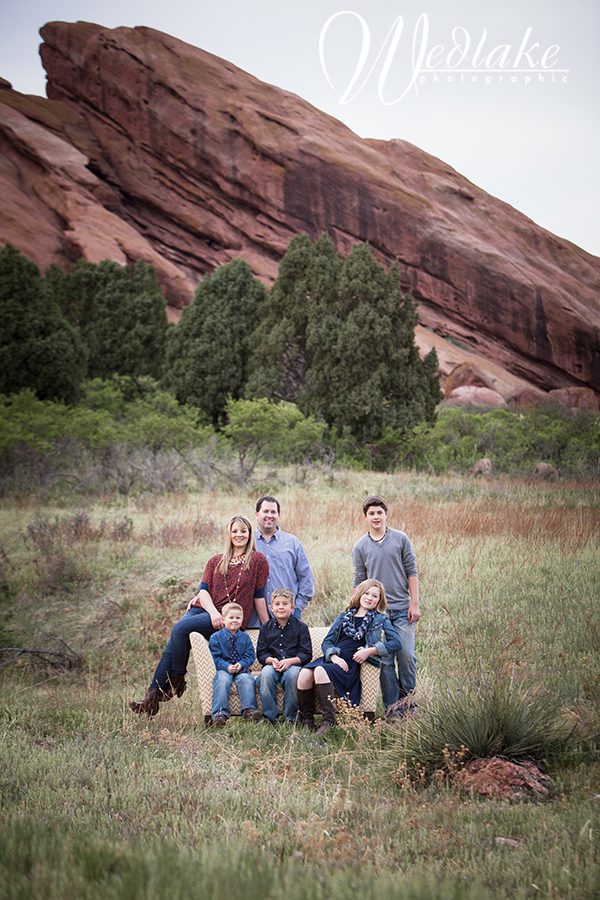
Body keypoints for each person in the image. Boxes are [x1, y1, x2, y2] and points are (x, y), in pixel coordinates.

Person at [129, 514, 269, 718]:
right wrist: (213, 613)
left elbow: (259, 596)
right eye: (235, 531)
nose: (239, 535)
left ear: (250, 534)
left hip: (230, 616)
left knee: (179, 629)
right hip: (207, 610)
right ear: (229, 534)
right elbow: (203, 591)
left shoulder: (257, 560)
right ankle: (152, 698)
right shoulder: (215, 561)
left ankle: (175, 680)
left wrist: (268, 626)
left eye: (244, 531)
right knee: (175, 639)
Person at [296, 579, 400, 735]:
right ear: (359, 594)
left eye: (375, 596)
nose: (370, 598)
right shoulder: (344, 616)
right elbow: (327, 641)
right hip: (335, 659)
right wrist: (334, 657)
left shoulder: (380, 619)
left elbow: (396, 642)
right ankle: (308, 720)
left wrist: (370, 651)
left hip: (351, 664)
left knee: (319, 671)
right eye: (366, 593)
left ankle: (328, 722)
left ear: (379, 600)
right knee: (304, 673)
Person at [351, 495, 421, 717]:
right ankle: (393, 709)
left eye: (379, 512)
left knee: (407, 656)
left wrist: (415, 604)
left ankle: (409, 702)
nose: (375, 516)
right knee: (386, 661)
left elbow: (412, 571)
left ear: (386, 514)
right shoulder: (360, 546)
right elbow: (359, 581)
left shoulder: (400, 539)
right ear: (365, 517)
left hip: (402, 609)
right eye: (371, 513)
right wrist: (356, 611)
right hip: (377, 614)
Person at [246, 496, 314, 627]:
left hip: (287, 617)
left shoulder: (292, 543)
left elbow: (306, 579)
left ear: (278, 515)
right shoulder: (246, 542)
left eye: (273, 512)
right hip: (253, 620)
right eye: (265, 511)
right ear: (257, 514)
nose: (269, 515)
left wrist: (297, 608)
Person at [257, 588, 313, 724]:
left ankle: (290, 718)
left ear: (292, 607)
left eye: (285, 604)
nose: (281, 607)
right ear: (271, 608)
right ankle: (270, 718)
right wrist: (271, 660)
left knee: (292, 676)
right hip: (273, 665)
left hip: (293, 665)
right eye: (277, 604)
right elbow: (261, 653)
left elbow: (306, 653)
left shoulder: (301, 627)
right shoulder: (265, 628)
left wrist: (290, 661)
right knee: (266, 674)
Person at [209, 602, 263, 726]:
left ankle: (249, 710)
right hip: (224, 668)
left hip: (241, 669)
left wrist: (242, 664)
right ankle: (220, 714)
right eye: (231, 617)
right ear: (223, 619)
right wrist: (226, 666)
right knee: (222, 680)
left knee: (246, 680)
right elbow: (215, 658)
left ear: (242, 619)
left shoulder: (245, 637)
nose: (235, 620)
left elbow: (250, 656)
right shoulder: (215, 637)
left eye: (238, 618)